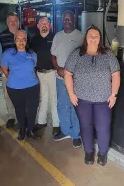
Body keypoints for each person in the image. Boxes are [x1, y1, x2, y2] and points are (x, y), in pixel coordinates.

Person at [64, 26, 120, 166]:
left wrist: (113, 94)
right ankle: (89, 153)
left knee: (103, 128)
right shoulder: (77, 54)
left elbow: (116, 75)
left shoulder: (108, 54)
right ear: (86, 37)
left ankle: (102, 154)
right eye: (91, 35)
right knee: (86, 126)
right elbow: (67, 74)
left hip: (103, 100)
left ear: (100, 39)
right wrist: (71, 94)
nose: (93, 38)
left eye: (96, 36)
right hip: (82, 100)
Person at [51, 10, 84, 148]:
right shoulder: (57, 36)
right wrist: (58, 68)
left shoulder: (81, 36)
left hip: (76, 79)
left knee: (74, 105)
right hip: (60, 77)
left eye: (70, 19)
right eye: (65, 19)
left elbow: (85, 57)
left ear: (74, 19)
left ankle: (76, 134)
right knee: (62, 105)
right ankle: (65, 131)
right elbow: (53, 55)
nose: (67, 21)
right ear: (62, 20)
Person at [1, 30, 41, 141]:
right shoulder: (8, 53)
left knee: (32, 109)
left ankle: (30, 130)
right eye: (18, 39)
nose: (21, 41)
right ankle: (22, 129)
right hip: (14, 88)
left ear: (26, 40)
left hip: (32, 87)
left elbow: (35, 67)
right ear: (14, 40)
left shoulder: (32, 54)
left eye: (23, 39)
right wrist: (14, 78)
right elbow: (4, 69)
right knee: (20, 109)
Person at [31, 17, 60, 136]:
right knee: (43, 98)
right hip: (39, 74)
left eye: (46, 23)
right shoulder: (34, 40)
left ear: (50, 25)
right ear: (38, 26)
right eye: (42, 23)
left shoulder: (55, 38)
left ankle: (56, 124)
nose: (44, 25)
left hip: (53, 73)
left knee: (54, 99)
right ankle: (41, 122)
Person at [0, 12, 19, 128]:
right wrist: (5, 72)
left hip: (22, 73)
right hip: (7, 73)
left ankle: (22, 115)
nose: (13, 22)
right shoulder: (1, 37)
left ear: (18, 21)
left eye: (15, 20)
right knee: (8, 95)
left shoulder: (24, 34)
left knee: (22, 95)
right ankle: (11, 117)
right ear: (7, 22)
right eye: (10, 20)